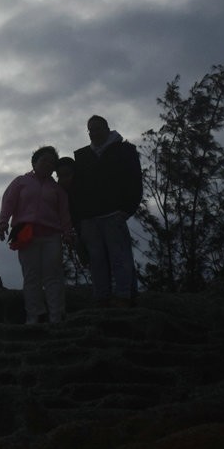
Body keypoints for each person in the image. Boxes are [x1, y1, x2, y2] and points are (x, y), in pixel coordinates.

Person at [71, 115, 143, 307]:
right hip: (89, 218)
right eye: (90, 130)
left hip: (114, 214)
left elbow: (135, 181)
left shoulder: (125, 150)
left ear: (107, 128)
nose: (93, 133)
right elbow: (77, 188)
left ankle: (124, 296)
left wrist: (127, 209)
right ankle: (101, 296)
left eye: (97, 128)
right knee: (96, 260)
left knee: (120, 257)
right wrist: (77, 219)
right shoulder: (82, 155)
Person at [0, 146, 72, 324]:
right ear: (35, 161)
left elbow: (64, 213)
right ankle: (34, 316)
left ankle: (56, 315)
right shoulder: (21, 182)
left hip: (52, 235)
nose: (47, 164)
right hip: (24, 233)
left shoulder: (57, 189)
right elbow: (8, 202)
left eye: (51, 162)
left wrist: (68, 233)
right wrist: (2, 222)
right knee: (31, 276)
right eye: (44, 160)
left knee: (53, 276)